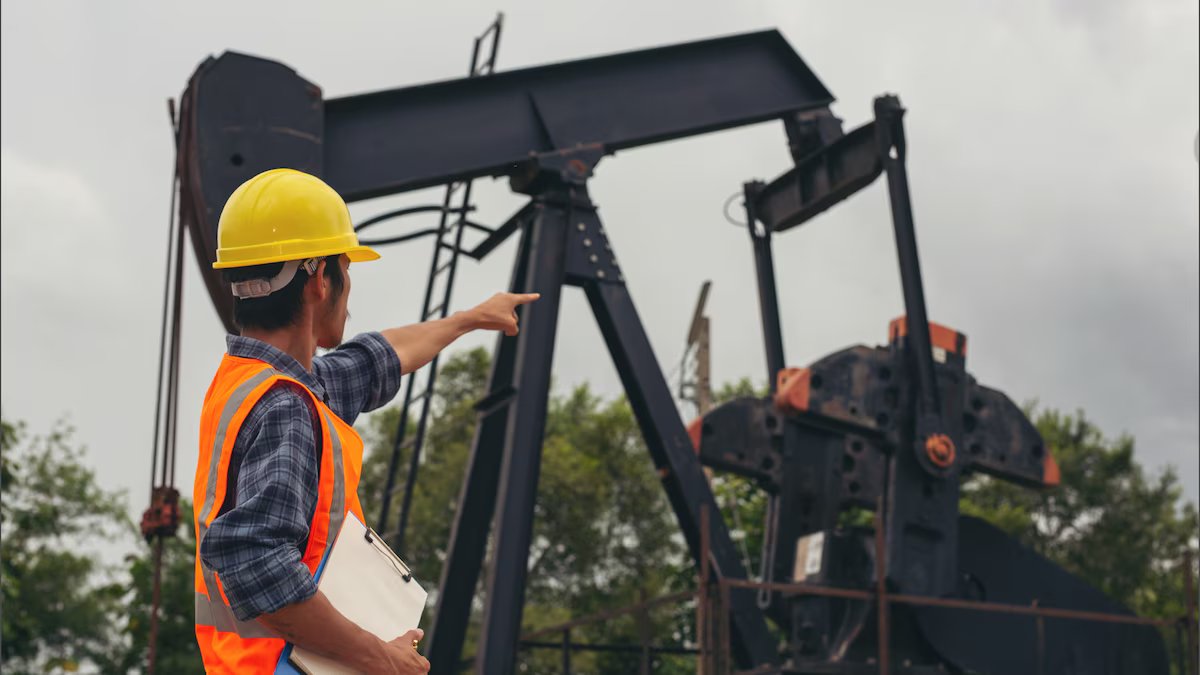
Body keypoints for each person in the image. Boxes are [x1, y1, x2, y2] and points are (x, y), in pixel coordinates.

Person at [192, 168, 538, 674]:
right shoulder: (287, 407)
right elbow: (258, 567)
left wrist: (470, 319)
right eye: (346, 269)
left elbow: (378, 358)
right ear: (318, 279)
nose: (348, 288)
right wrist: (383, 659)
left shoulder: (254, 383)